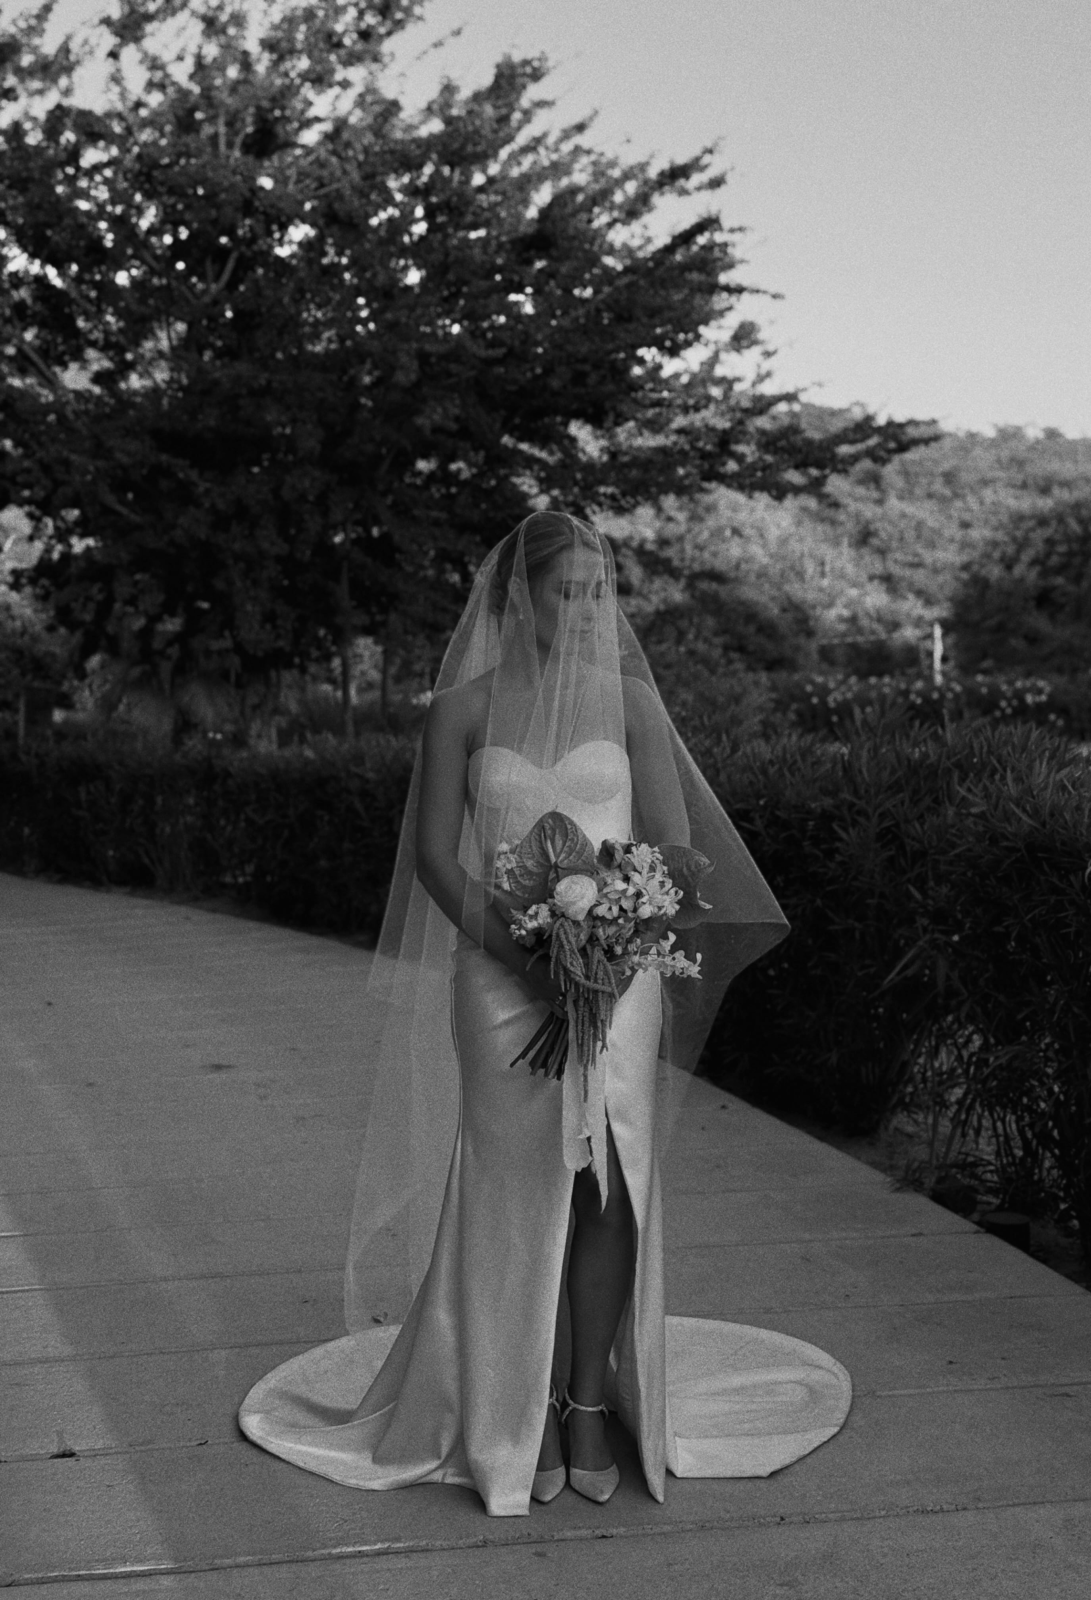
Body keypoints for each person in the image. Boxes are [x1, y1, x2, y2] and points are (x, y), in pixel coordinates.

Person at [239, 512, 851, 1516]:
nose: (587, 611)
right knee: (519, 1186)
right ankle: (508, 1409)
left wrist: (616, 941)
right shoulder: (461, 709)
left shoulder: (633, 705)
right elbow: (437, 857)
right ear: (517, 598)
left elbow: (674, 850)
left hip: (619, 976)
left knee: (609, 1182)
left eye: (600, 593)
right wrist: (523, 951)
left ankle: (587, 1405)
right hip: (497, 980)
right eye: (567, 592)